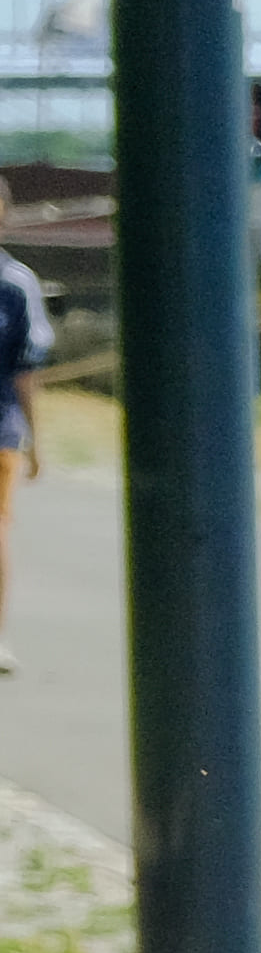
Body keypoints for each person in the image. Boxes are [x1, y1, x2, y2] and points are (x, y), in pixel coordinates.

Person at [0, 228, 45, 676]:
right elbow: (25, 371)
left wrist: (34, 440)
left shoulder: (14, 283)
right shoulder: (17, 282)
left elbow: (24, 373)